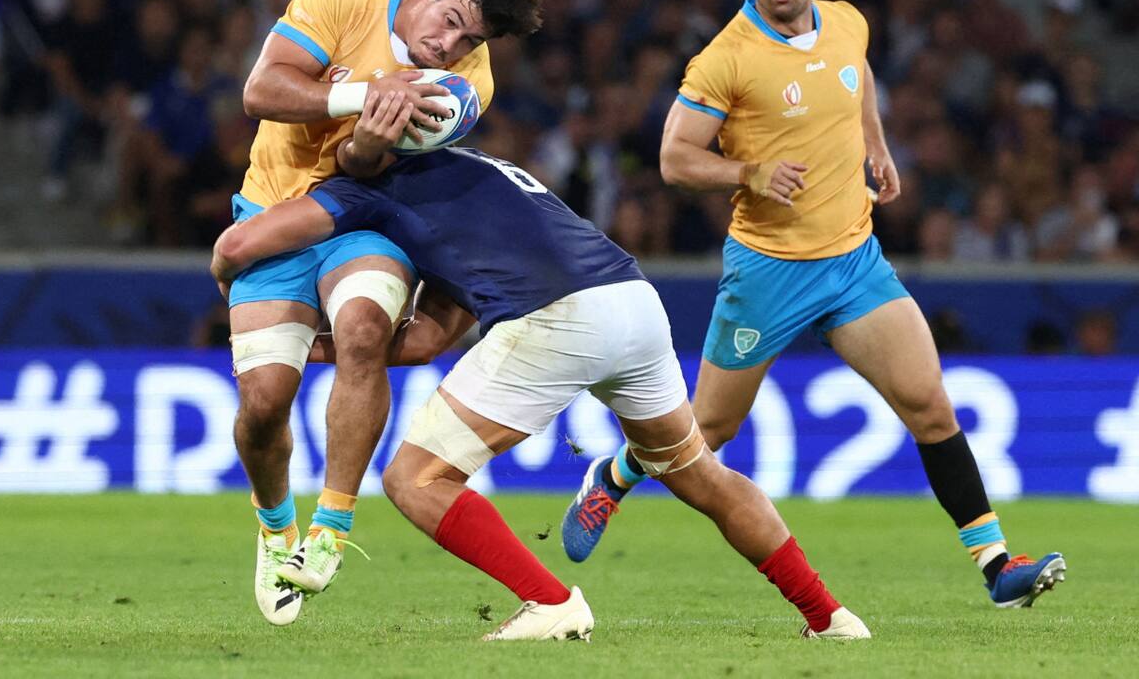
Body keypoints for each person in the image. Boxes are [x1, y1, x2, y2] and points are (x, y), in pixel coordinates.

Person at [560, 0, 1066, 610]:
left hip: (854, 262)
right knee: (707, 431)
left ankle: (997, 566)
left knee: (930, 406)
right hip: (767, 270)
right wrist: (749, 172)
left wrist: (878, 147)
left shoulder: (848, 21)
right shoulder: (727, 57)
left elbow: (854, 79)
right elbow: (675, 158)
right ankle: (613, 474)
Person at [211, 111, 871, 641]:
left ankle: (549, 601)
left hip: (560, 317)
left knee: (414, 480)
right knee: (700, 473)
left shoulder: (361, 190)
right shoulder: (481, 171)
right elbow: (425, 340)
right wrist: (326, 353)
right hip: (634, 301)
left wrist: (251, 300)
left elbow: (241, 245)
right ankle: (831, 616)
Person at [228, 0, 542, 625]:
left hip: (359, 216)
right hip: (276, 205)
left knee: (365, 328)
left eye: (471, 39)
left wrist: (370, 131)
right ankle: (275, 523)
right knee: (262, 402)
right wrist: (364, 91)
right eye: (451, 18)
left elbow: (362, 166)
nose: (450, 45)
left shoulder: (468, 84)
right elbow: (261, 90)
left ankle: (330, 527)